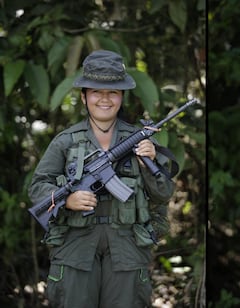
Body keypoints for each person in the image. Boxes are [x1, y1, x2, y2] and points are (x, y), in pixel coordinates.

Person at [28, 50, 176, 308]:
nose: (105, 99)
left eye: (113, 92)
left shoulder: (140, 140)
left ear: (122, 97)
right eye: (96, 91)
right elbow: (38, 187)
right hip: (75, 246)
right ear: (84, 97)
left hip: (128, 245)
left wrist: (148, 162)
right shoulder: (65, 141)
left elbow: (163, 194)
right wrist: (68, 200)